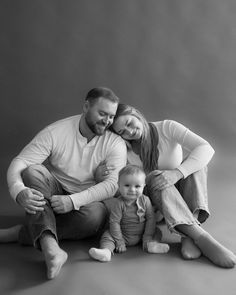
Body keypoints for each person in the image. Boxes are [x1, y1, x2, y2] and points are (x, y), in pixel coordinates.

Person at [0, 87, 127, 279]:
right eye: (102, 113)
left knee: (97, 215)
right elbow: (21, 162)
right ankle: (52, 249)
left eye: (111, 116)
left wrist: (73, 201)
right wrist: (18, 191)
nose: (107, 121)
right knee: (33, 171)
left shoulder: (115, 143)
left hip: (84, 201)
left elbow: (112, 185)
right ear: (86, 106)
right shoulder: (56, 131)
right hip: (52, 192)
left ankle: (23, 233)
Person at [97, 103, 236, 268]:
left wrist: (177, 173)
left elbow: (206, 148)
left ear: (135, 113)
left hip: (180, 195)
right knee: (155, 176)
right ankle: (202, 237)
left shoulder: (166, 128)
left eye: (128, 123)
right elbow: (119, 182)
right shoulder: (124, 149)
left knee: (198, 165)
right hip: (154, 203)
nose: (129, 132)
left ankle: (188, 236)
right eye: (122, 132)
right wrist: (99, 174)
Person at [89, 164, 170, 262]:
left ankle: (151, 245)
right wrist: (119, 241)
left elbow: (151, 219)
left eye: (137, 186)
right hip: (123, 235)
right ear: (119, 185)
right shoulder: (119, 203)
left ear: (143, 186)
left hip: (142, 235)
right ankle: (106, 251)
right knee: (107, 236)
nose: (132, 189)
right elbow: (114, 222)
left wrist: (147, 236)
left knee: (157, 231)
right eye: (127, 185)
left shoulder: (145, 200)